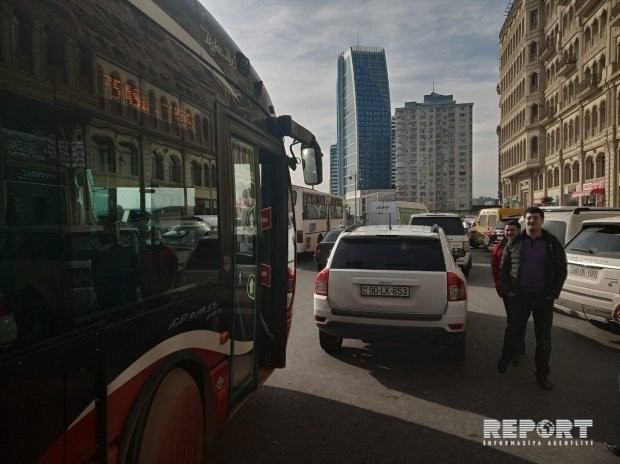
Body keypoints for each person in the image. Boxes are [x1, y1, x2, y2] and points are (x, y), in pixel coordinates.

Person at [497, 206, 567, 391]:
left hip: (543, 299)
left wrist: (553, 293)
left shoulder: (551, 242)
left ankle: (542, 375)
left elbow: (562, 269)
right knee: (513, 331)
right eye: (528, 218)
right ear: (524, 220)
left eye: (535, 218)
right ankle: (506, 357)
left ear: (542, 220)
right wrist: (509, 291)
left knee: (544, 340)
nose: (531, 221)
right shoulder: (514, 241)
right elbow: (503, 268)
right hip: (519, 297)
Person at [490, 219, 524, 364]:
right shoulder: (499, 247)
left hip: (521, 290)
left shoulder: (523, 246)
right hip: (507, 290)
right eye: (507, 230)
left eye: (512, 230)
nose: (509, 233)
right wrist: (501, 285)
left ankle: (517, 348)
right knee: (513, 320)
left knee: (517, 320)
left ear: (518, 231)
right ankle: (516, 348)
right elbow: (495, 268)